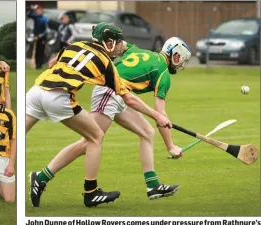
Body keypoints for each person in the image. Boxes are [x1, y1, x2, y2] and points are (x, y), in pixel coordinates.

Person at [26, 23, 171, 208]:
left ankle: (35, 177)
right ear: (108, 43)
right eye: (118, 43)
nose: (120, 47)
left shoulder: (74, 46)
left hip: (35, 92)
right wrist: (157, 116)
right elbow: (130, 100)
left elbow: (51, 63)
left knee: (15, 137)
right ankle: (91, 193)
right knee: (96, 137)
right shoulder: (106, 63)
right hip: (59, 96)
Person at [43, 37, 192, 200]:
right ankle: (42, 177)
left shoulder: (140, 50)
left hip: (120, 94)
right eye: (182, 60)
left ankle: (153, 186)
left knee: (147, 132)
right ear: (176, 55)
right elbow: (161, 114)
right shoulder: (164, 73)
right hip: (109, 92)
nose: (181, 65)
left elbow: (115, 42)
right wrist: (170, 146)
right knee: (89, 141)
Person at [27, 4, 49, 69]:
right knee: (36, 52)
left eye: (39, 10)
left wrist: (39, 36)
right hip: (36, 37)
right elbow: (28, 14)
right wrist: (33, 9)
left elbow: (46, 30)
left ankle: (40, 65)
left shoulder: (44, 19)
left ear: (41, 11)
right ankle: (36, 64)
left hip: (42, 38)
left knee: (41, 52)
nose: (38, 12)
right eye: (37, 10)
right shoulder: (36, 17)